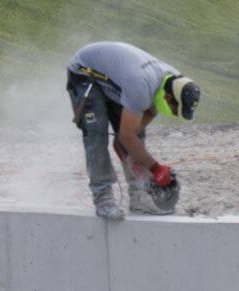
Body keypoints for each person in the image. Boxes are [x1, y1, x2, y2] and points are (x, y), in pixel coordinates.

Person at [65, 41, 200, 220]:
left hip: (115, 78)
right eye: (176, 110)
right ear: (169, 97)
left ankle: (138, 196)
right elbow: (127, 136)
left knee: (135, 135)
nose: (175, 114)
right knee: (96, 133)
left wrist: (132, 149)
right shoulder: (141, 86)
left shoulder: (171, 81)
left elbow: (132, 134)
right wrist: (156, 168)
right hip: (85, 73)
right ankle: (103, 197)